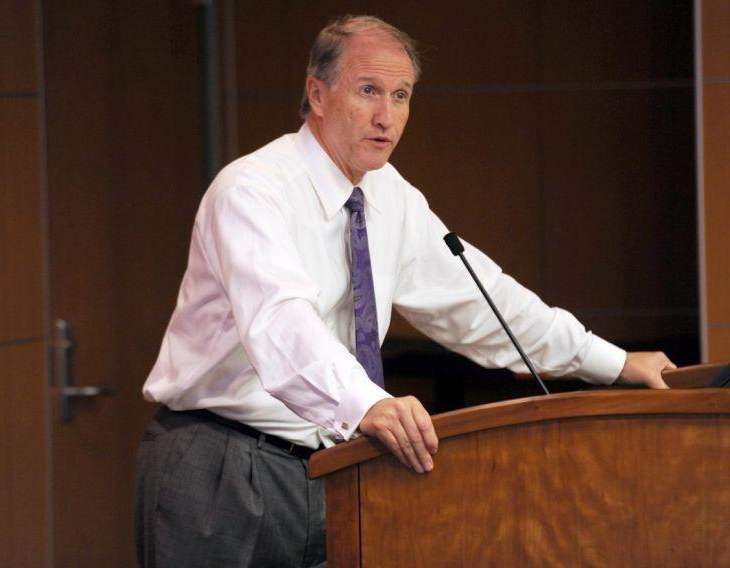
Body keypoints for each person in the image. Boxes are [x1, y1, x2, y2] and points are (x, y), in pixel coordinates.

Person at [134, 14, 675, 568]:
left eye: (401, 95)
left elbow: (484, 303)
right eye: (368, 90)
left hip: (337, 465)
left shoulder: (389, 194)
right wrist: (369, 403)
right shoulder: (251, 191)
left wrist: (611, 362)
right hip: (225, 465)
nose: (385, 116)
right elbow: (280, 325)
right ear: (316, 94)